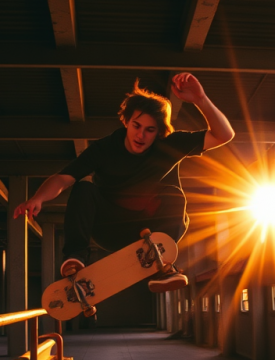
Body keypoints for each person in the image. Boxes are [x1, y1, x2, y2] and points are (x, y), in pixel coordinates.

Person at [13, 72, 235, 292]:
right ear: (126, 121)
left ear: (159, 132)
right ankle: (75, 258)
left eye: (150, 130)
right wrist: (38, 198)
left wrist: (200, 99)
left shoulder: (168, 145)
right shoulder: (105, 148)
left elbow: (223, 135)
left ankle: (163, 263)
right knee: (83, 187)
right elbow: (64, 178)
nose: (141, 136)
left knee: (173, 194)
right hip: (109, 229)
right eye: (136, 126)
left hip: (150, 227)